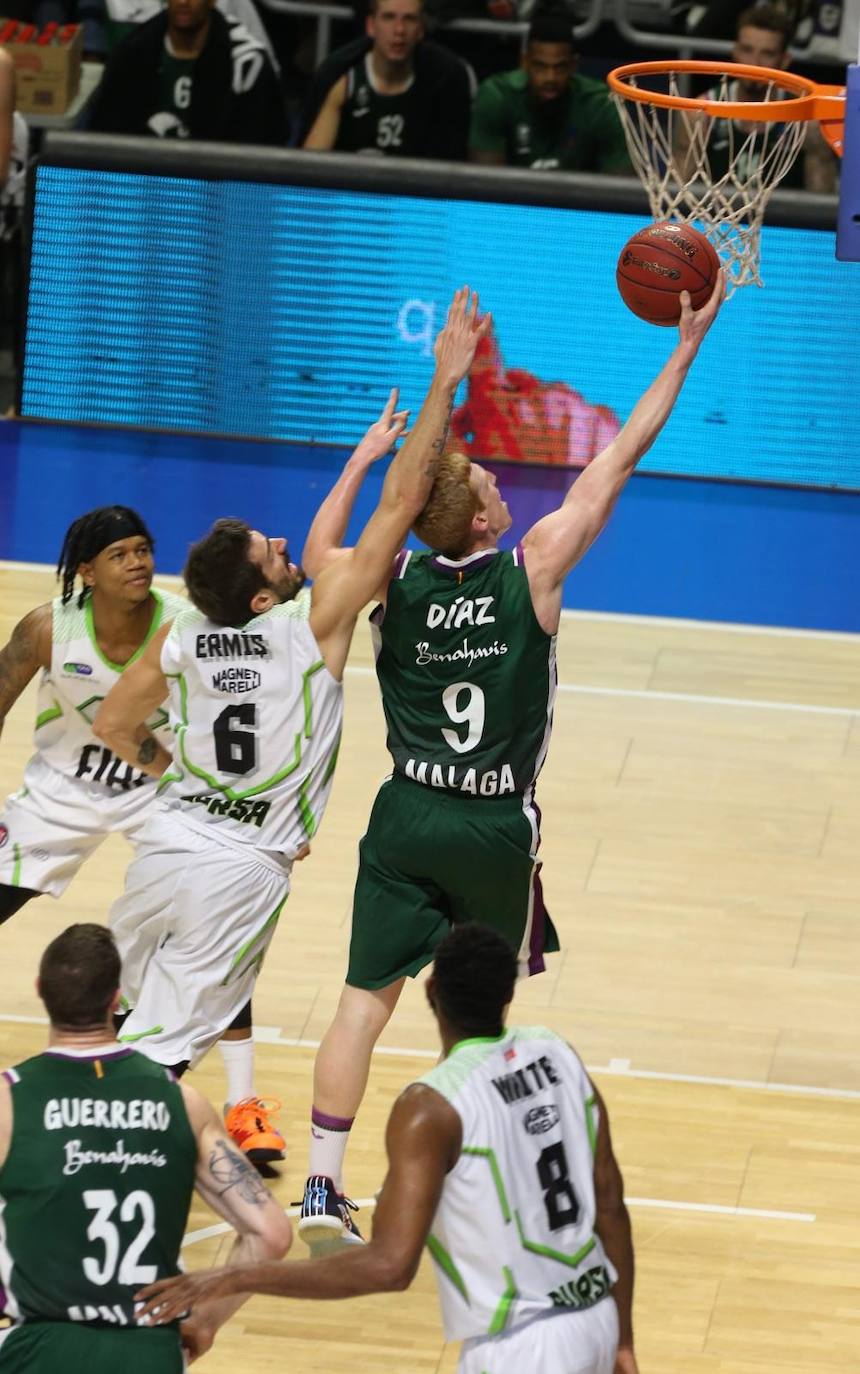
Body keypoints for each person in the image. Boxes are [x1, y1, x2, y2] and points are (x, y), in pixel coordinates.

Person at [293, 273, 724, 1247]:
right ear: (484, 522)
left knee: (361, 1005)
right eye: (486, 478)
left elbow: (324, 545)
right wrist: (684, 348)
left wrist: (368, 462)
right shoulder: (531, 567)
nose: (493, 475)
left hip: (403, 813)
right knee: (476, 1018)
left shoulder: (385, 576)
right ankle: (474, 1184)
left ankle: (321, 1186)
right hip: (490, 824)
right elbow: (615, 459)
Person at [92, 290, 489, 1088]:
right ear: (266, 598)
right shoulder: (309, 629)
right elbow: (404, 507)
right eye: (267, 551)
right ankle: (105, 1181)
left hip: (165, 846)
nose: (281, 542)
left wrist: (180, 773)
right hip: (240, 868)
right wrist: (445, 382)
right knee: (166, 1055)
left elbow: (112, 725)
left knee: (109, 1023)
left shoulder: (186, 633)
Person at [135, 923, 639, 1374]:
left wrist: (234, 1276)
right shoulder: (555, 1051)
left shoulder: (432, 1106)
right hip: (596, 1316)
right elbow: (610, 1203)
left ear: (432, 991)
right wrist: (623, 1339)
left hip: (522, 1346)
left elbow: (389, 1266)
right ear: (509, 992)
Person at [0, 505, 283, 1164]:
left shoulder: (183, 623)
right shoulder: (47, 629)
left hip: (156, 788)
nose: (138, 562)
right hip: (63, 786)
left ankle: (245, 1106)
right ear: (86, 571)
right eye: (121, 554)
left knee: (217, 926)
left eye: (144, 549)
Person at [0, 922, 291, 1372]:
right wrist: (206, 1321)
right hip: (149, 1351)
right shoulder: (182, 1101)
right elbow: (271, 1235)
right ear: (117, 998)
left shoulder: (8, 1101)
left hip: (40, 1347)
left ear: (41, 991)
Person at [676, 4, 838, 193]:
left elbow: (819, 205)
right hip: (714, 220)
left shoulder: (806, 123)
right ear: (735, 52)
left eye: (767, 54)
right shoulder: (700, 115)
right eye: (747, 50)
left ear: (784, 60)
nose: (755, 63)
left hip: (782, 220)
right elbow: (677, 193)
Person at [88, 0, 287, 143]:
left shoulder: (247, 64)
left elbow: (261, 152)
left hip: (218, 191)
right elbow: (106, 139)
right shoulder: (132, 53)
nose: (183, 2)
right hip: (146, 186)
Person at [299, 0, 472, 160]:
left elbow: (447, 175)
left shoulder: (445, 79)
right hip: (347, 190)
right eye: (388, 17)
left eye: (409, 19)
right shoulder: (340, 76)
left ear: (420, 30)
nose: (399, 30)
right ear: (371, 26)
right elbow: (309, 171)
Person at [469, 11, 631, 173]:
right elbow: (484, 182)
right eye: (540, 66)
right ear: (524, 62)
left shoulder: (600, 103)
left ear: (573, 65)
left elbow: (620, 184)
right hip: (510, 197)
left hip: (580, 197)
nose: (550, 78)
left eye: (560, 67)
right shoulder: (497, 95)